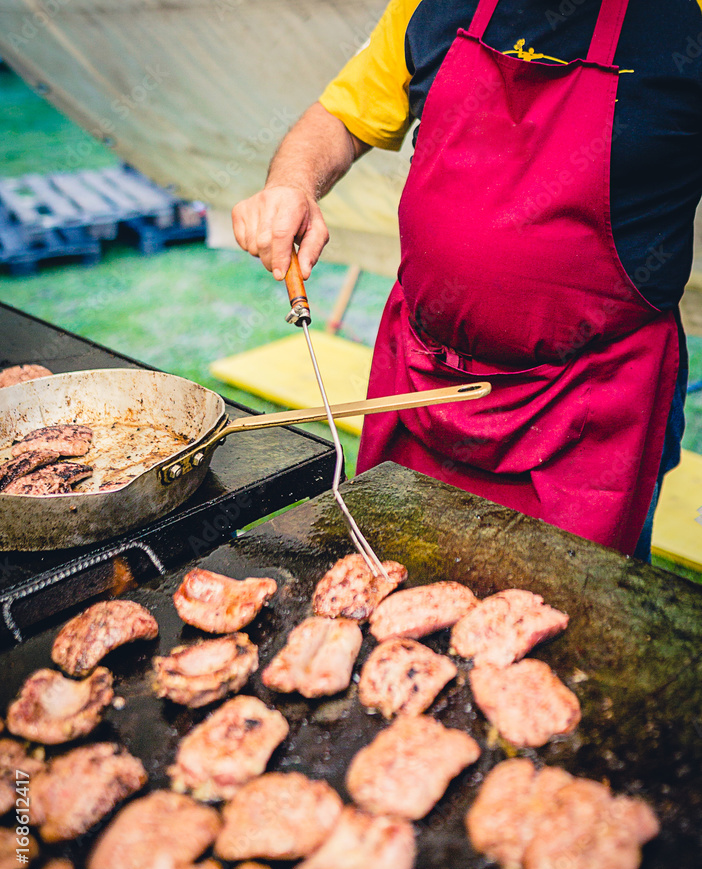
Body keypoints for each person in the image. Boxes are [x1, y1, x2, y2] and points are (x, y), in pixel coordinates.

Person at [232, 0, 699, 560]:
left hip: (589, 413)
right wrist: (293, 184)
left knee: (563, 624)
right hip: (422, 387)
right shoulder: (428, 8)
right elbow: (341, 116)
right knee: (390, 591)